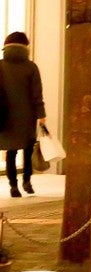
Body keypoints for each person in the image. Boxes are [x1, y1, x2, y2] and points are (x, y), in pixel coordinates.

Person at [0, 32, 46, 198]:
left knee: (11, 153)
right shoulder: (31, 67)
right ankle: (27, 181)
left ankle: (13, 186)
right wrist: (41, 115)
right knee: (28, 151)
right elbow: (37, 94)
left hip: (5, 117)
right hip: (27, 116)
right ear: (25, 46)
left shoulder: (0, 66)